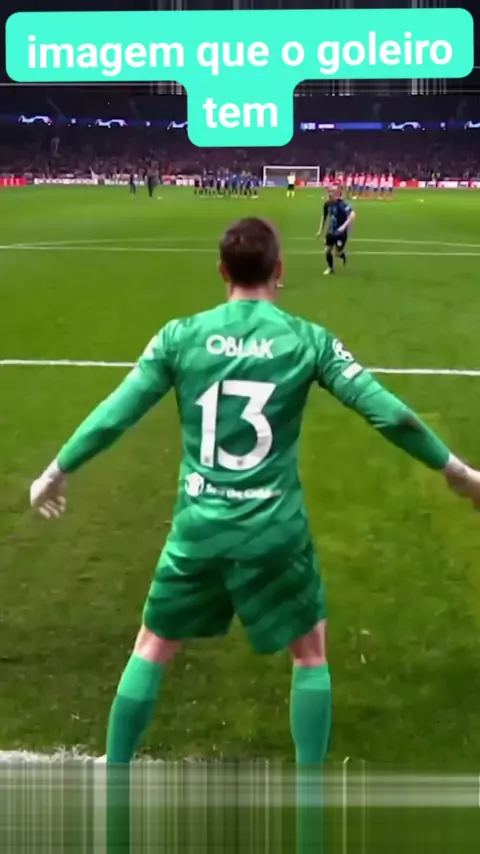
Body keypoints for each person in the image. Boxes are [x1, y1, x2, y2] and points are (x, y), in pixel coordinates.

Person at [30, 217, 480, 775]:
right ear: (279, 269)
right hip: (275, 532)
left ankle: (115, 780)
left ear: (222, 271)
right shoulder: (309, 340)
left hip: (199, 529)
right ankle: (309, 799)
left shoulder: (179, 336)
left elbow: (115, 414)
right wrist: (457, 471)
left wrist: (57, 469)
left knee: (153, 645)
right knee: (310, 652)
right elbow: (392, 414)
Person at [317, 188, 355, 275]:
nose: (329, 195)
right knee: (327, 250)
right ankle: (330, 268)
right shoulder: (327, 204)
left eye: (332, 193)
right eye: (328, 192)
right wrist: (320, 230)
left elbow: (353, 215)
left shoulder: (342, 204)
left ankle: (342, 254)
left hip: (340, 233)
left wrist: (343, 227)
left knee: (336, 253)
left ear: (336, 194)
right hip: (331, 231)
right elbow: (324, 216)